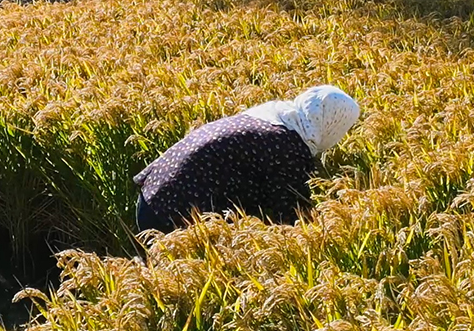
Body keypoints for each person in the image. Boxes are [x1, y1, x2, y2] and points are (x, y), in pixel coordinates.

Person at [133, 85, 361, 233]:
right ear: (332, 123)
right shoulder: (289, 146)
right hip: (177, 215)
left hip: (152, 198)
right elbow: (293, 220)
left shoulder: (272, 116)